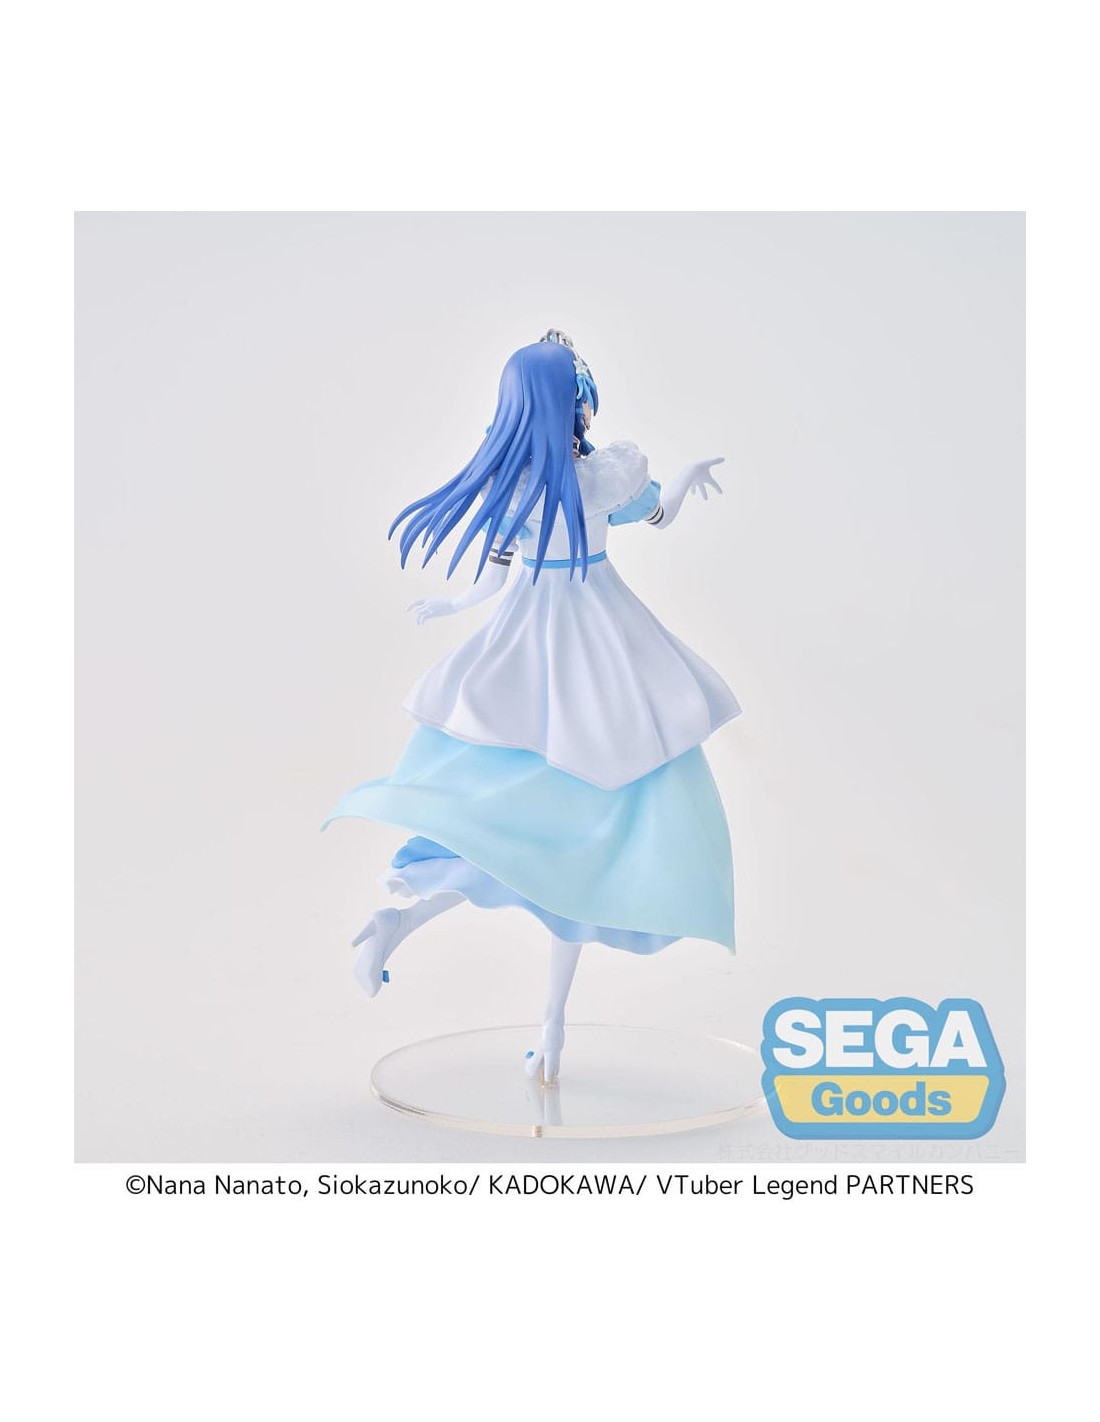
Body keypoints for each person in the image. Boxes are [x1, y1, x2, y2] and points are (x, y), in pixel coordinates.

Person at [325, 330, 740, 1083]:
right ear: (574, 401)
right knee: (580, 849)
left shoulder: (517, 488)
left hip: (528, 654)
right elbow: (660, 516)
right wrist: (684, 477)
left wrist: (452, 604)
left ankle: (410, 927)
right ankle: (549, 1025)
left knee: (514, 835)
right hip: (604, 650)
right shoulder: (607, 477)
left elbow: (492, 581)